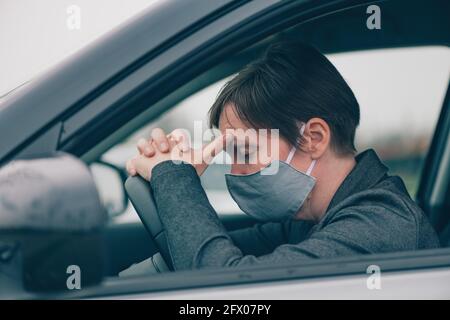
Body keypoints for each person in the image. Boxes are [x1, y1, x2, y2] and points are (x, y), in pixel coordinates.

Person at [126, 41, 439, 270]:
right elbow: (210, 248)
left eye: (244, 150)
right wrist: (166, 174)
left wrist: (173, 176)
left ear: (313, 138)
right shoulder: (311, 220)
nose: (234, 171)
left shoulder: (378, 225)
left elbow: (226, 289)